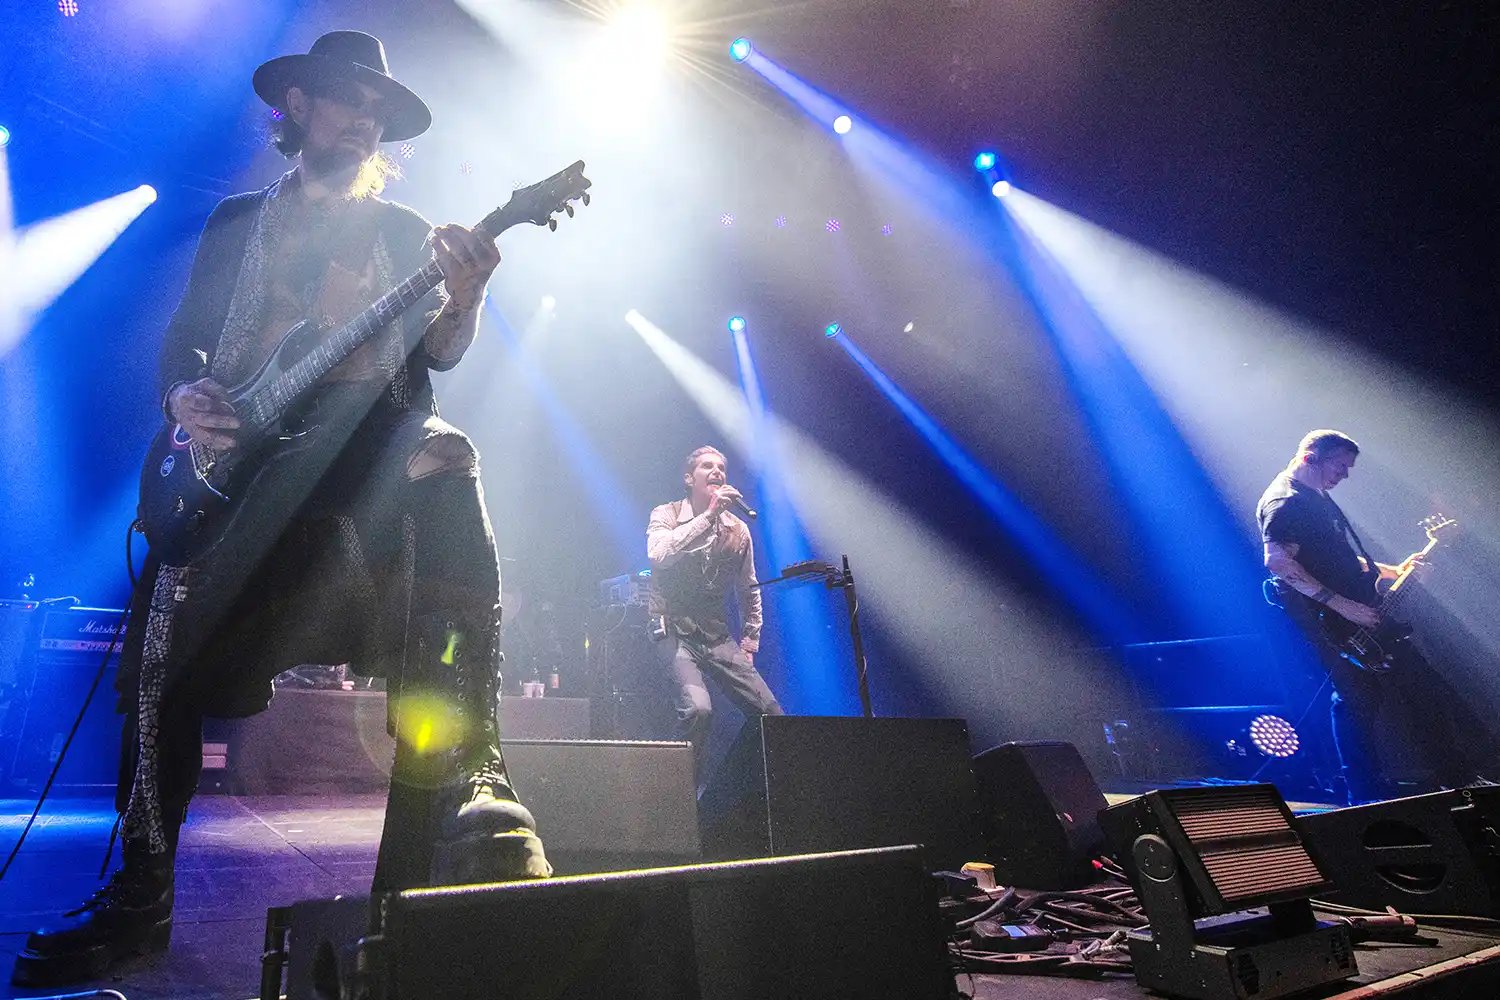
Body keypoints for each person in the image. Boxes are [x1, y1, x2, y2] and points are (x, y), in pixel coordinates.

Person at [13, 31, 548, 988]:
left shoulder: (403, 234)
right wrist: (185, 402)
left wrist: (462, 299)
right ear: (297, 106)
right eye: (348, 98)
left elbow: (438, 356)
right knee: (154, 654)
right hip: (235, 491)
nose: (365, 118)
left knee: (444, 455)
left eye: (379, 110)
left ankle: (476, 773)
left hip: (356, 479)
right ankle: (138, 897)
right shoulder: (233, 223)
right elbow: (183, 345)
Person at [1256, 428, 1463, 801]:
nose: (1345, 475)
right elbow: (1278, 562)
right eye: (1340, 466)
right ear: (1310, 458)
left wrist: (1391, 570)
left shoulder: (1314, 496)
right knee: (1357, 701)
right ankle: (1365, 797)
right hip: (1333, 622)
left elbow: (1331, 555)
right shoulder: (1286, 502)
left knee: (1408, 691)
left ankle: (1449, 779)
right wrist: (1343, 605)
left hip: (1357, 613)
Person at [647, 446, 783, 781]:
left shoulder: (738, 531)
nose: (717, 472)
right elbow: (659, 555)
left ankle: (747, 791)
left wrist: (750, 641)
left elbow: (748, 588)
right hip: (674, 630)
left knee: (772, 715)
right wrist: (708, 517)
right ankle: (681, 794)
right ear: (689, 478)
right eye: (708, 466)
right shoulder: (665, 514)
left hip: (716, 635)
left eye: (721, 467)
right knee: (698, 710)